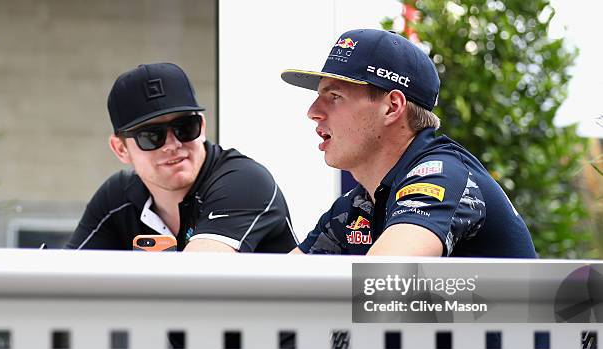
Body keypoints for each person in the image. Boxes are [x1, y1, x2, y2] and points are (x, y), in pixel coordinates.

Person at [281, 29, 536, 257]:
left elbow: (381, 281)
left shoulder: (440, 175)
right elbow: (280, 286)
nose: (313, 111)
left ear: (392, 107)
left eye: (335, 96)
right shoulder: (358, 204)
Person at [67, 62, 297, 252]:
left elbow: (196, 281)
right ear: (121, 149)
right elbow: (64, 277)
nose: (172, 144)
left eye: (185, 127)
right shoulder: (118, 197)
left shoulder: (244, 181)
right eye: (151, 136)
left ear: (203, 127)